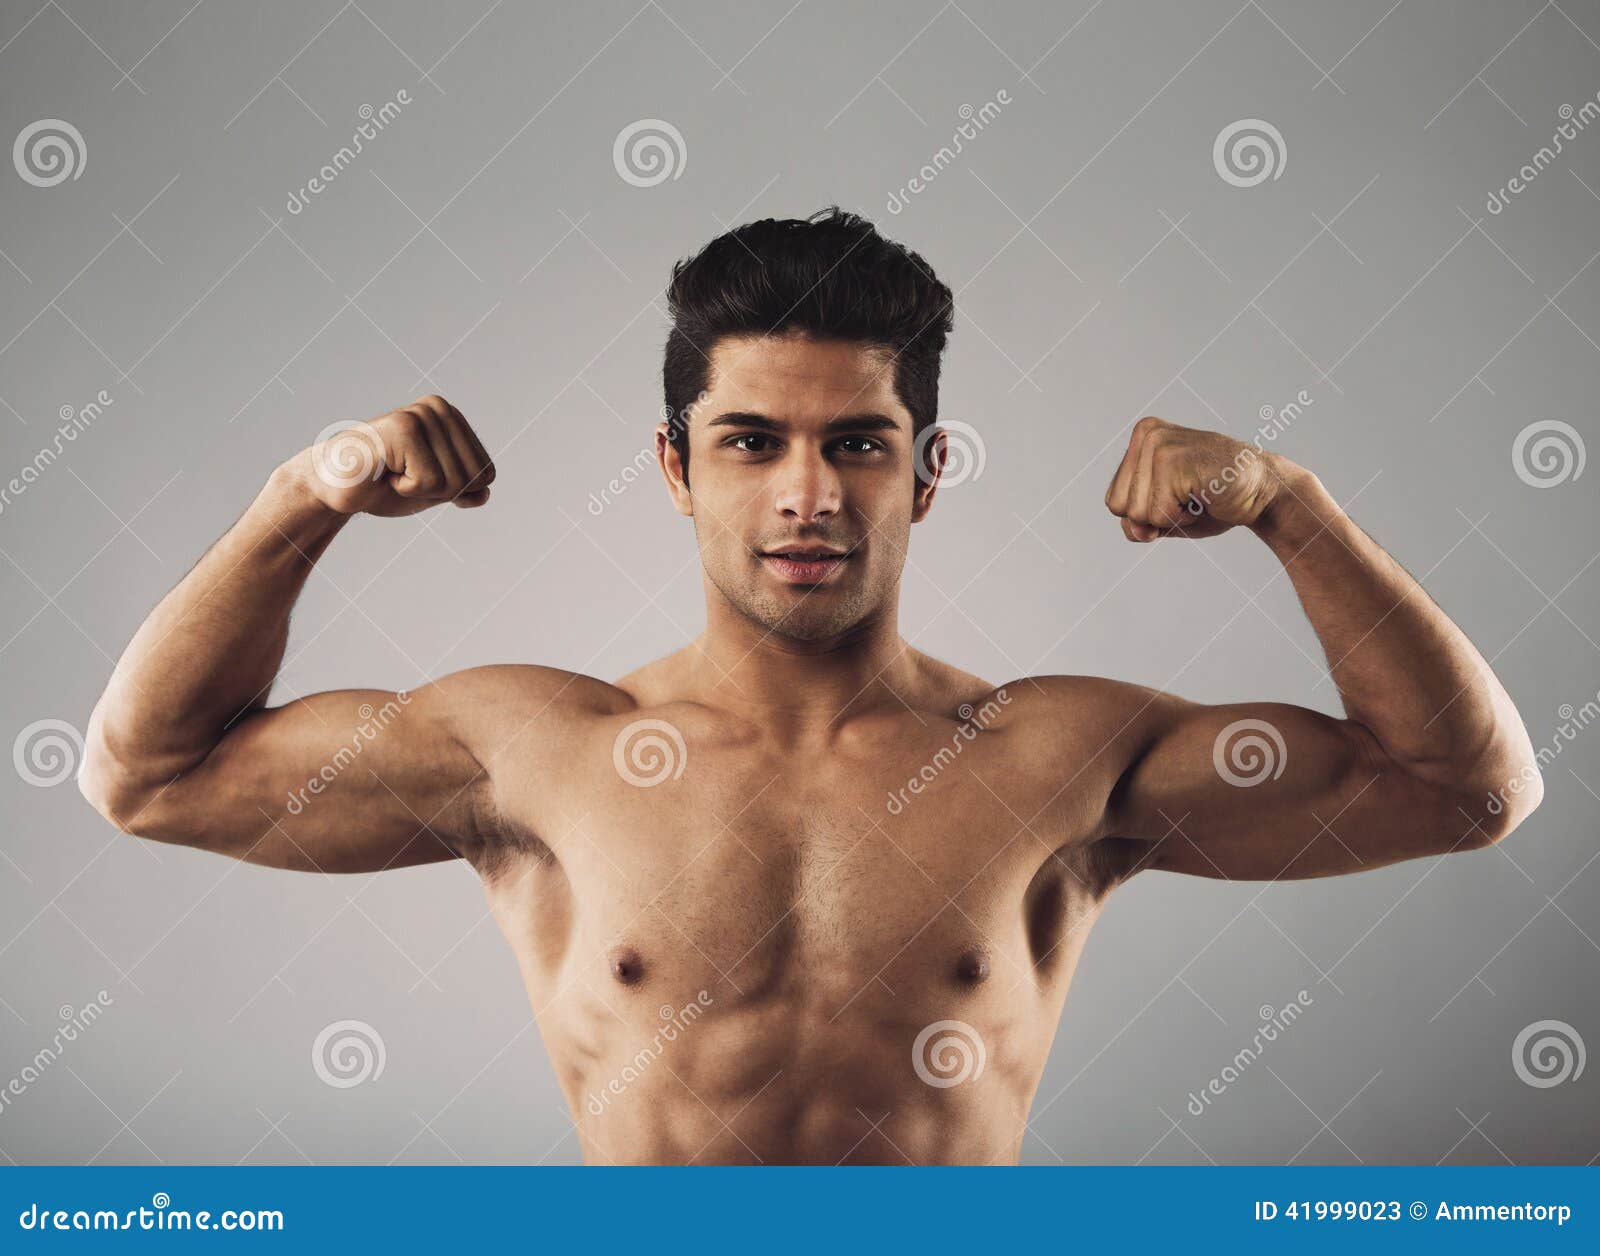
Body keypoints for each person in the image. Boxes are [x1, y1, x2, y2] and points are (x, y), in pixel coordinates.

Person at [78, 208, 1542, 1165]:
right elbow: (151, 775)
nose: (806, 497)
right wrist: (300, 494)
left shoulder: (1056, 752)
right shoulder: (533, 747)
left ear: (927, 471)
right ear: (674, 468)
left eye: (855, 443)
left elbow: (1463, 788)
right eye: (748, 442)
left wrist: (1293, 503)